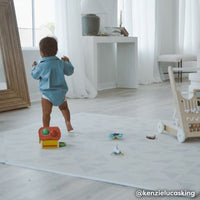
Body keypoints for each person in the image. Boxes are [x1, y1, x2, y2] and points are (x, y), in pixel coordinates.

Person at [31, 36, 74, 132]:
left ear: (41, 52)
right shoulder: (60, 63)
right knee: (64, 108)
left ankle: (46, 128)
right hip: (60, 92)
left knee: (46, 113)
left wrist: (34, 67)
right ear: (56, 50)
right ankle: (68, 122)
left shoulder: (41, 65)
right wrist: (67, 62)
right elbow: (70, 71)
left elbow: (35, 75)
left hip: (47, 94)